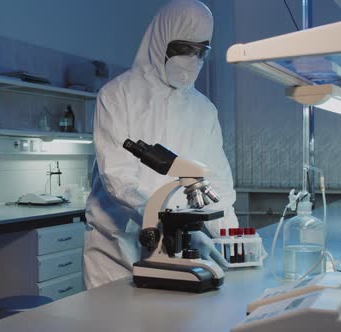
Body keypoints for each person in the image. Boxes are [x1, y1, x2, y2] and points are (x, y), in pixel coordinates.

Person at [83, 0, 238, 289]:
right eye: (183, 49)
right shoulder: (117, 95)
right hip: (116, 250)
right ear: (161, 40)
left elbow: (218, 182)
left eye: (200, 51)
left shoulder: (204, 110)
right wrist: (166, 220)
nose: (192, 60)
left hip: (176, 246)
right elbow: (118, 178)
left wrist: (233, 240)